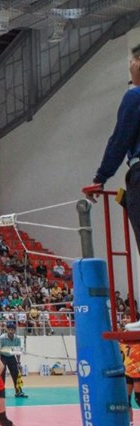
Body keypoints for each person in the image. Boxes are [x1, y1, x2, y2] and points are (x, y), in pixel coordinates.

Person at [85, 43, 140, 330]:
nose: (129, 67)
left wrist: (100, 178)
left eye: (131, 61)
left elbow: (120, 139)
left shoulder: (135, 96)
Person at [0, 322, 28, 398]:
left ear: (15, 330)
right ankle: (1, 392)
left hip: (12, 357)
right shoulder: (1, 338)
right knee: (2, 375)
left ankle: (18, 392)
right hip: (3, 357)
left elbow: (17, 351)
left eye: (12, 330)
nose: (11, 331)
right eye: (9, 329)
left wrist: (18, 362)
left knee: (16, 374)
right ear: (7, 330)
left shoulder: (17, 339)